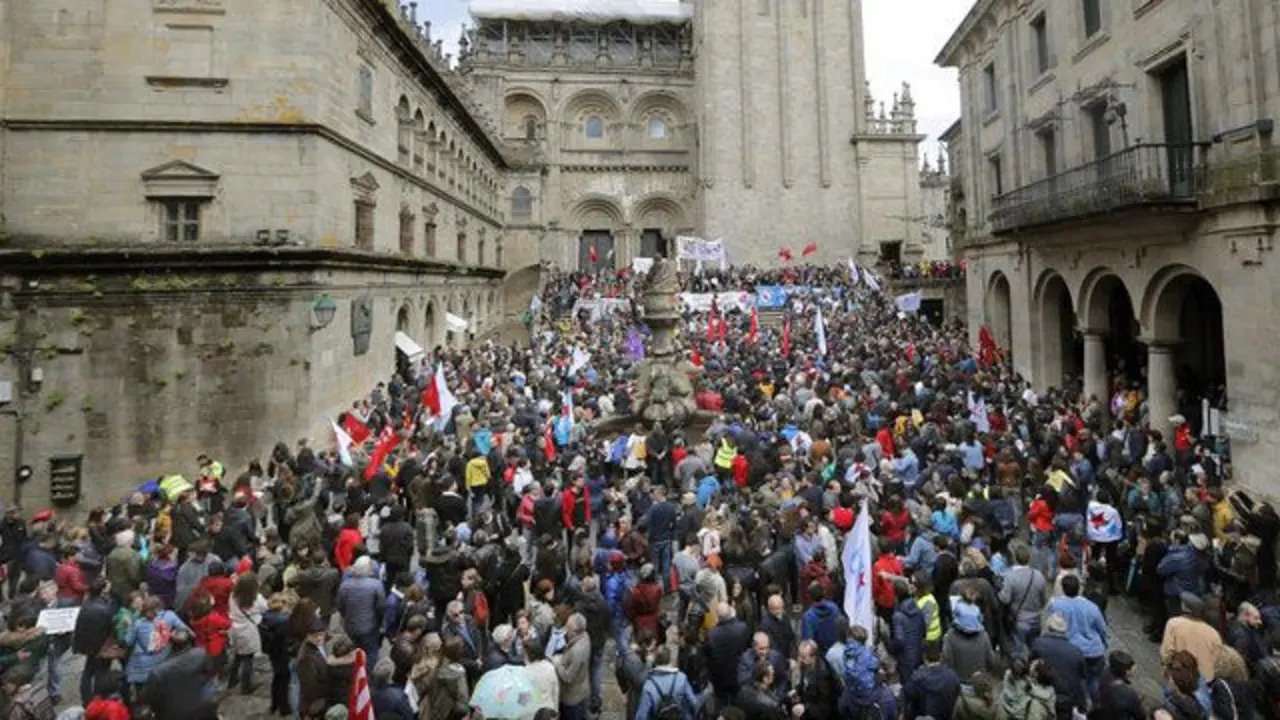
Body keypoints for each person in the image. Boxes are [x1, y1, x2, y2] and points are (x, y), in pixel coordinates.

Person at [143, 629, 216, 720]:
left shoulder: (158, 672)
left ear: (171, 644)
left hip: (173, 714)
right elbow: (210, 673)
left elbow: (149, 699)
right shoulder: (201, 654)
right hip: (201, 708)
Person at [335, 556, 387, 667]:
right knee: (371, 653)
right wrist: (381, 622)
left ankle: (356, 672)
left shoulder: (345, 585)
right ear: (368, 569)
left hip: (351, 627)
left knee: (354, 651)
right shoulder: (376, 585)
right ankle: (368, 674)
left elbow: (340, 606)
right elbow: (381, 607)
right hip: (370, 627)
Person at [1161, 591, 1224, 682]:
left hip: (1178, 676)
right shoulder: (1214, 634)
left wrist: (1167, 668)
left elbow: (1167, 653)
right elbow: (1216, 660)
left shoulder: (1174, 623)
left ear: (1184, 606)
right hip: (1202, 681)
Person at [636, 644, 700, 720]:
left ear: (655, 660)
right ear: (670, 659)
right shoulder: (681, 678)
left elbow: (641, 716)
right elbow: (694, 703)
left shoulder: (649, 684)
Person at [903, 642, 960, 720]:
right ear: (941, 656)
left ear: (924, 656)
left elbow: (907, 698)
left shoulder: (916, 679)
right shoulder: (953, 677)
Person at [553, 613, 591, 720]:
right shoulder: (585, 635)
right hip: (582, 688)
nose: (565, 630)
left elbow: (569, 677)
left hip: (572, 697)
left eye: (568, 628)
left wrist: (558, 664)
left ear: (574, 632)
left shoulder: (577, 651)